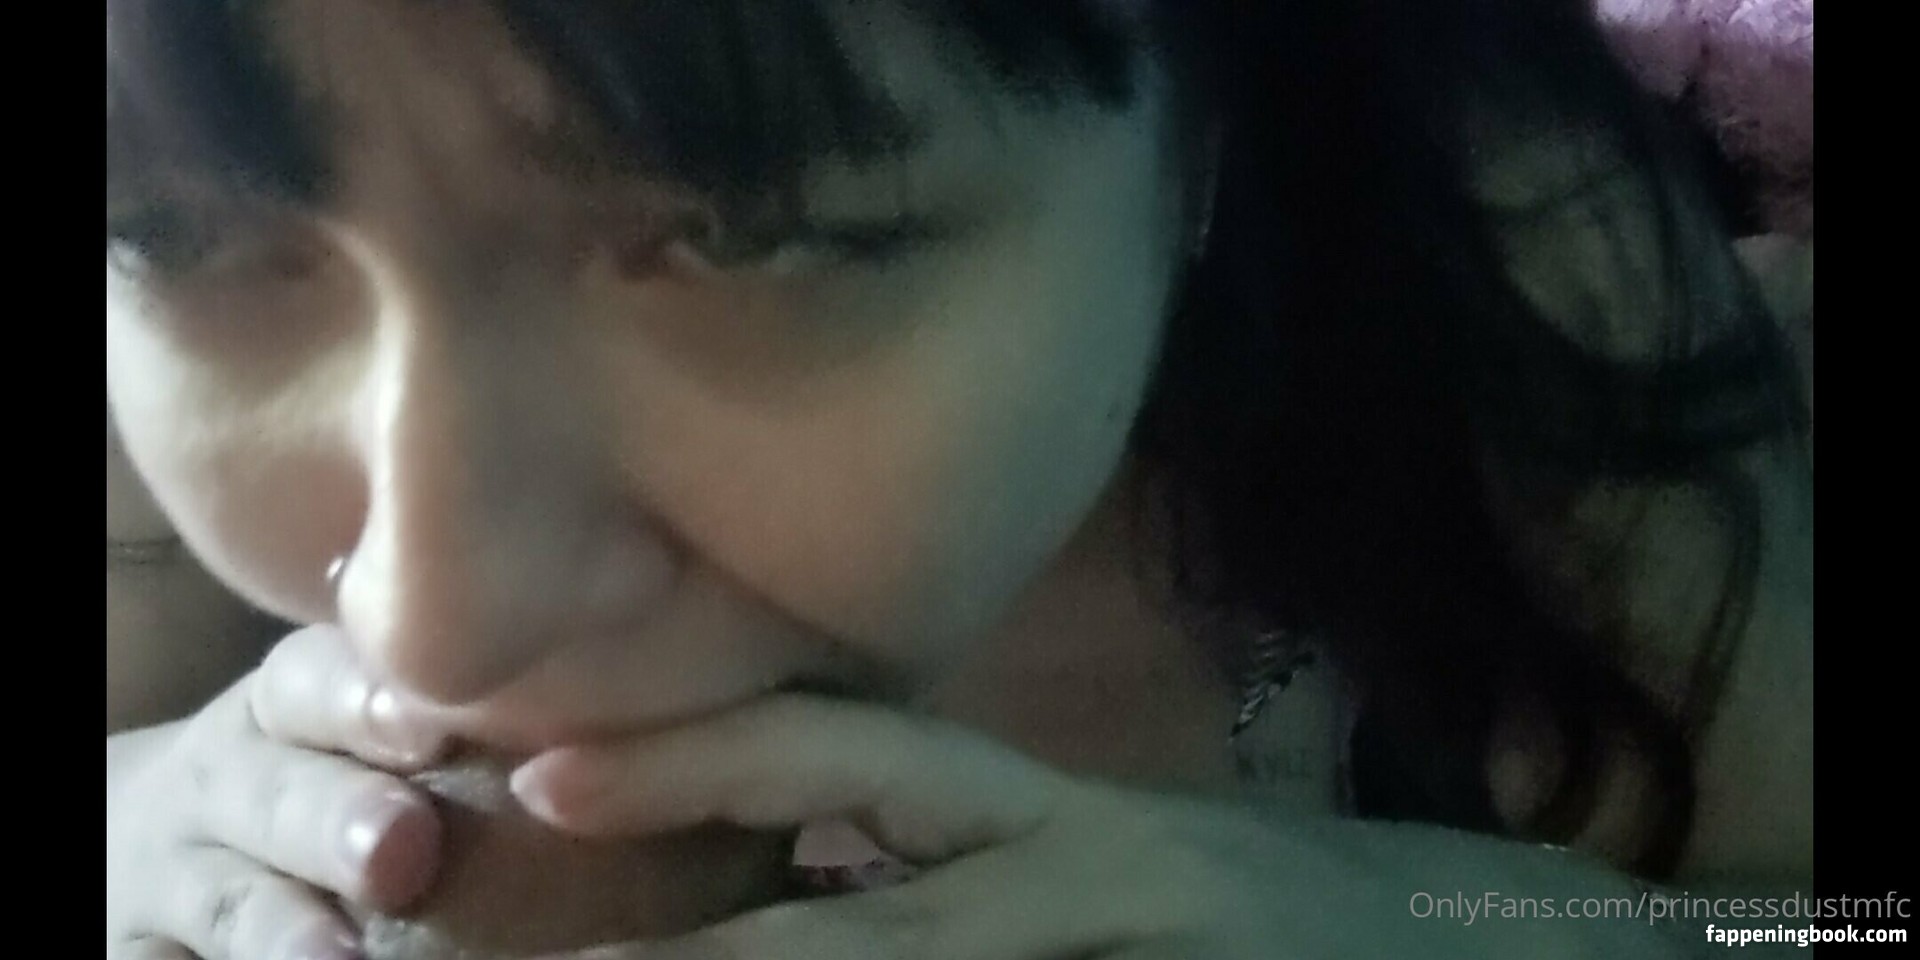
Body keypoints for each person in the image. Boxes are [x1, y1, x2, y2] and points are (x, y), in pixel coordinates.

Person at [105, 1, 1815, 958]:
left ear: (1205, 140)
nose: (433, 619)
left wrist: (1487, 924)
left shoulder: (1503, 264)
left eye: (743, 235)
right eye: (178, 236)